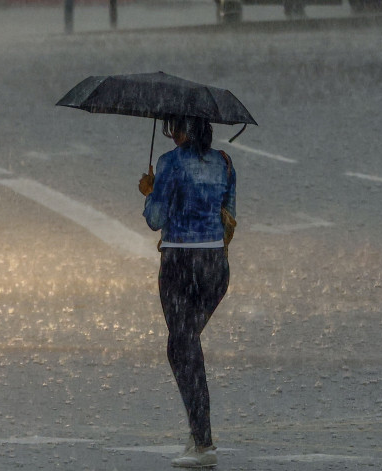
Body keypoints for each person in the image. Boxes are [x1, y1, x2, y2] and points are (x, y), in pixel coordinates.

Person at [138, 115, 235, 468]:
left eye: (170, 128)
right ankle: (198, 432)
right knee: (184, 343)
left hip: (180, 265)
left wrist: (151, 192)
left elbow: (156, 219)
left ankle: (203, 441)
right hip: (215, 268)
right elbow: (230, 212)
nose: (170, 135)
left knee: (182, 345)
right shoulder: (224, 162)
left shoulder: (170, 163)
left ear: (179, 130)